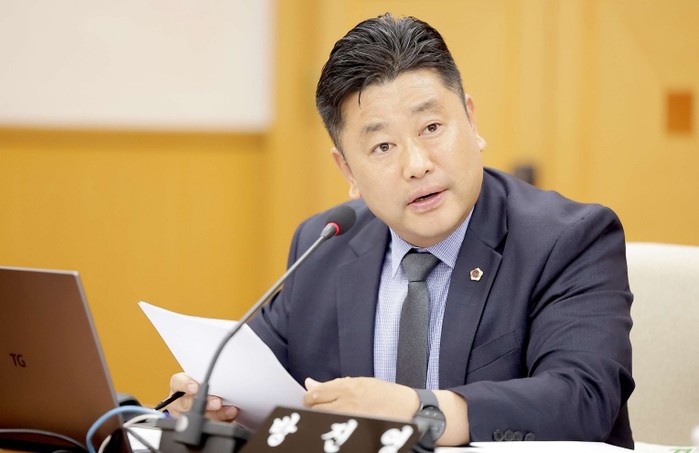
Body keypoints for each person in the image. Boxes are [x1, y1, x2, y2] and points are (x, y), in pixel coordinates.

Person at [168, 13, 634, 448]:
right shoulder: (324, 245)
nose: (416, 164)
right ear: (347, 170)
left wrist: (419, 411)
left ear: (471, 120)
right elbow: (256, 381)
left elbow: (583, 399)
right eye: (383, 146)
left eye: (431, 127)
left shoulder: (569, 239)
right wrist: (213, 403)